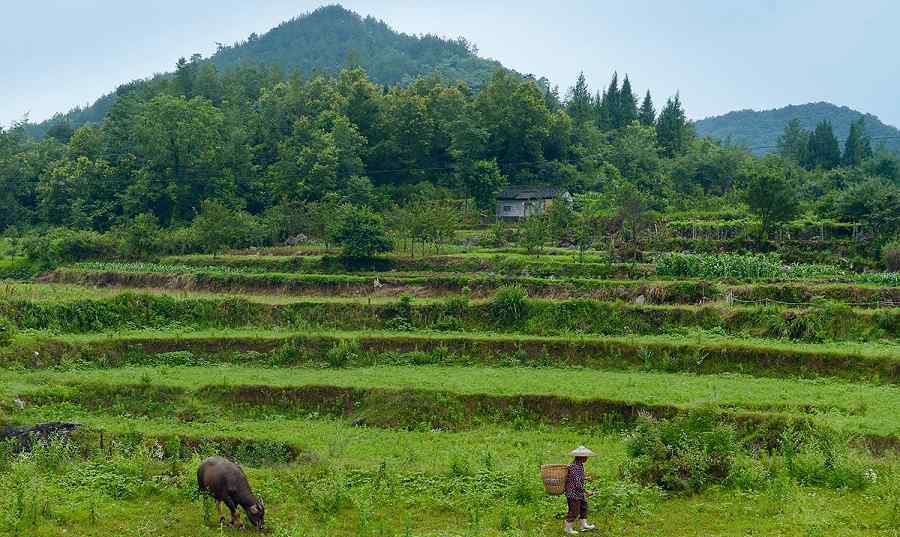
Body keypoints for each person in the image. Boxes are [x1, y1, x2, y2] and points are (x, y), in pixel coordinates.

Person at [564, 446, 596, 534]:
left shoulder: (579, 464)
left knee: (583, 508)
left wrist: (585, 478)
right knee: (574, 511)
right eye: (585, 456)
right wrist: (586, 491)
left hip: (578, 492)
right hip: (573, 492)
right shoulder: (574, 466)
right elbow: (577, 483)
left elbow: (577, 478)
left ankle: (583, 525)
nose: (587, 458)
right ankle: (567, 528)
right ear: (580, 456)